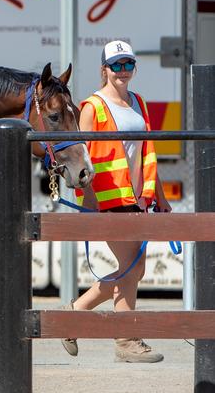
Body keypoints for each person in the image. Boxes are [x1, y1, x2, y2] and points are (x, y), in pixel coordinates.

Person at [63, 40, 172, 363]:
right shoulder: (92, 107)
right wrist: (91, 199)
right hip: (109, 198)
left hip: (137, 197)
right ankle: (126, 339)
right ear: (104, 70)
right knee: (132, 267)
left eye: (128, 65)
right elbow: (80, 157)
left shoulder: (138, 102)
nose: (123, 71)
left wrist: (160, 196)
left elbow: (147, 151)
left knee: (132, 269)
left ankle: (73, 314)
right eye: (116, 65)